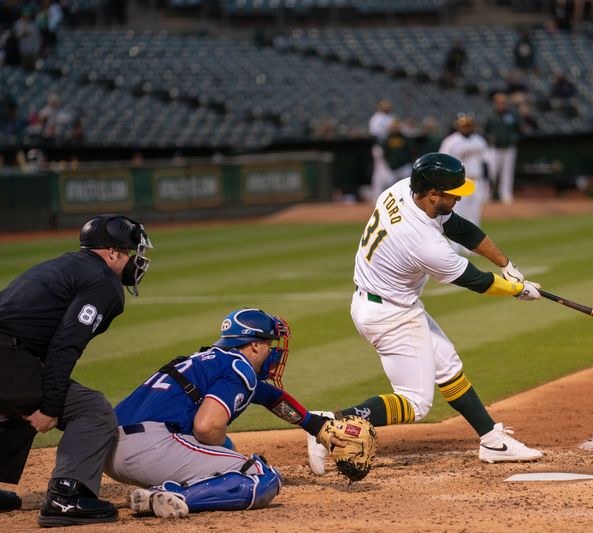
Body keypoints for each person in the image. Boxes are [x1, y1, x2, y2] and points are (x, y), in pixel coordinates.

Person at [306, 152, 545, 476]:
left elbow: (460, 228)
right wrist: (518, 290)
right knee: (415, 403)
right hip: (391, 315)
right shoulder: (422, 242)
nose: (459, 198)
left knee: (447, 365)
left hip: (383, 302)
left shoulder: (403, 190)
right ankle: (327, 424)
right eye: (453, 194)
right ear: (433, 194)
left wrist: (507, 265)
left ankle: (492, 440)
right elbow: (475, 281)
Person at [105, 308, 341, 519]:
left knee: (220, 452)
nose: (274, 352)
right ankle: (169, 494)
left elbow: (271, 397)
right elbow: (206, 427)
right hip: (149, 451)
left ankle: (165, 488)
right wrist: (222, 447)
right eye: (270, 343)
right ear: (255, 345)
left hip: (108, 451)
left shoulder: (208, 360)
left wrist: (317, 426)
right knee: (260, 475)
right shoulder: (240, 368)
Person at [0, 214, 153, 526]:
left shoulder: (65, 265)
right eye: (129, 252)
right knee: (92, 410)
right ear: (112, 252)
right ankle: (66, 497)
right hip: (7, 357)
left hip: (10, 357)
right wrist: (51, 406)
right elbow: (65, 345)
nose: (133, 260)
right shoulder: (104, 283)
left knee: (18, 403)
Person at [439, 113, 489, 235]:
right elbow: (442, 162)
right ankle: (455, 248)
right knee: (457, 214)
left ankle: (472, 247)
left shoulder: (479, 140)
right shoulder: (450, 142)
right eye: (464, 125)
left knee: (475, 214)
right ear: (458, 126)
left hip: (477, 181)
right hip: (458, 183)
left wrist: (487, 182)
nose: (466, 128)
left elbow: (485, 162)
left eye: (469, 125)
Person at [483, 93, 522, 204]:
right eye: (499, 103)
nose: (501, 105)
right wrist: (490, 139)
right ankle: (487, 194)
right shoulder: (491, 116)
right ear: (495, 103)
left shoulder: (512, 115)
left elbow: (519, 129)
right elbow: (485, 131)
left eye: (503, 103)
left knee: (507, 173)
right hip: (494, 149)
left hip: (509, 148)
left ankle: (506, 195)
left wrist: (514, 137)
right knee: (491, 172)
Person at [368, 99, 395, 201]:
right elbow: (375, 134)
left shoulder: (390, 116)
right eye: (385, 106)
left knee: (379, 173)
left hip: (389, 147)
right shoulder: (377, 118)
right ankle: (382, 197)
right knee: (384, 173)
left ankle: (378, 197)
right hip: (380, 147)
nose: (387, 107)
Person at [381, 119, 415, 184]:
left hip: (404, 166)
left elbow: (411, 149)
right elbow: (384, 153)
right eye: (393, 127)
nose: (395, 129)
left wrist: (408, 160)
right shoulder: (387, 139)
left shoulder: (404, 137)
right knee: (391, 186)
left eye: (396, 127)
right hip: (393, 169)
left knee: (407, 184)